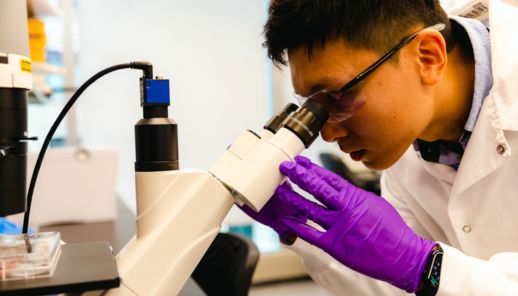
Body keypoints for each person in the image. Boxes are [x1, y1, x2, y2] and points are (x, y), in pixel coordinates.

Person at [239, 0, 518, 295]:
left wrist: (425, 264)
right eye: (314, 107)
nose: (329, 133)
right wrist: (303, 230)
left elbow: (426, 270)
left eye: (336, 97)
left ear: (428, 57)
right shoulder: (407, 130)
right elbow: (400, 286)